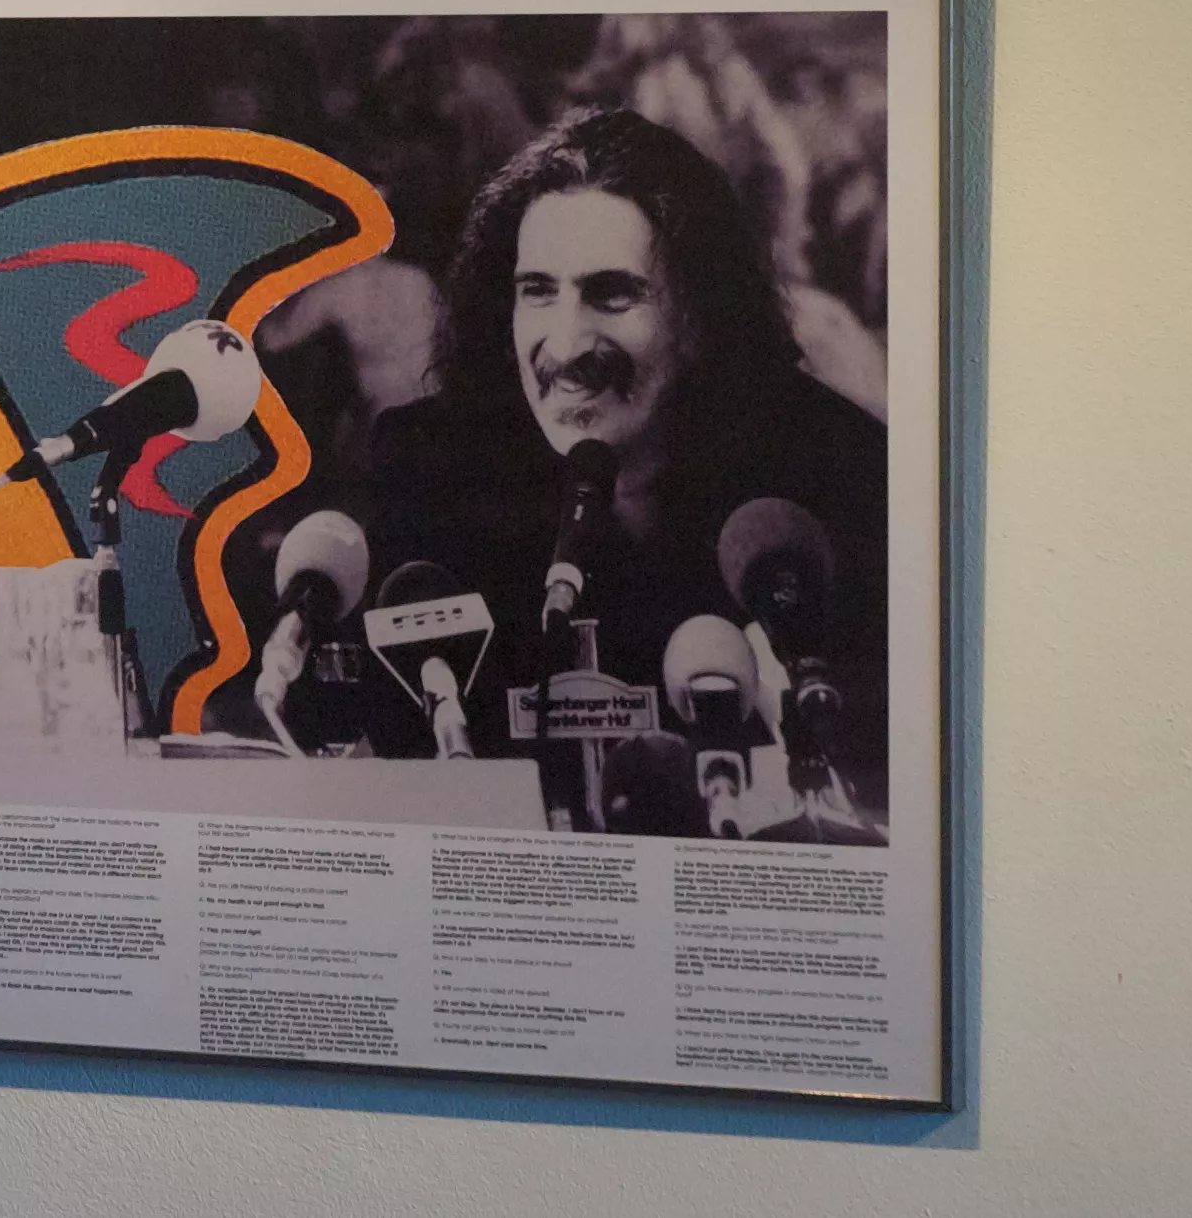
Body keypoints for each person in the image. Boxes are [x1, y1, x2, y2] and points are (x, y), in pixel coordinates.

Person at [327, 107, 889, 832]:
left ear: (698, 317)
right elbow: (394, 751)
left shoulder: (836, 468)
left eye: (612, 294)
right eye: (538, 291)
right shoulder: (432, 467)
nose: (565, 346)